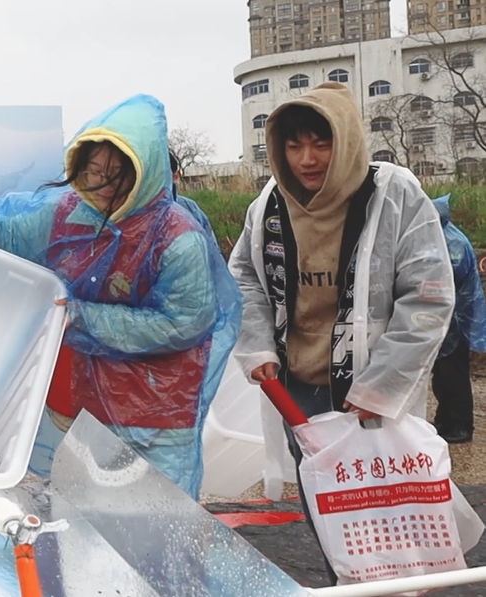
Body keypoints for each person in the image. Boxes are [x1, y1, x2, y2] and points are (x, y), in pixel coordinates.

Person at [0, 95, 241, 500]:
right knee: (80, 517)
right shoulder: (67, 214)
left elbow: (184, 323)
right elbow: (1, 228)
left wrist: (85, 317)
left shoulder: (177, 238)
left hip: (156, 418)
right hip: (80, 402)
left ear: (146, 173)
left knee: (155, 520)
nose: (102, 187)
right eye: (93, 172)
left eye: (117, 176)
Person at [229, 82, 455, 586]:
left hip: (369, 391)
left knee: (387, 501)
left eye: (321, 143)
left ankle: (396, 585)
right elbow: (244, 276)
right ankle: (345, 582)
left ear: (348, 140)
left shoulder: (394, 195)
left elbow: (428, 296)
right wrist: (258, 343)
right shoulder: (269, 205)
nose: (306, 159)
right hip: (299, 389)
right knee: (325, 499)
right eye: (293, 145)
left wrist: (382, 386)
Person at [430, 194, 486, 444]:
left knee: (454, 375)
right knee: (442, 376)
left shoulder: (452, 242)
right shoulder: (439, 237)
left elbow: (445, 278)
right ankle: (445, 420)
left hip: (457, 320)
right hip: (444, 320)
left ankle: (461, 426)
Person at [169, 151, 215, 240]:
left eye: (161, 175)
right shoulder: (140, 211)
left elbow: (210, 244)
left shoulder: (191, 209)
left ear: (175, 176)